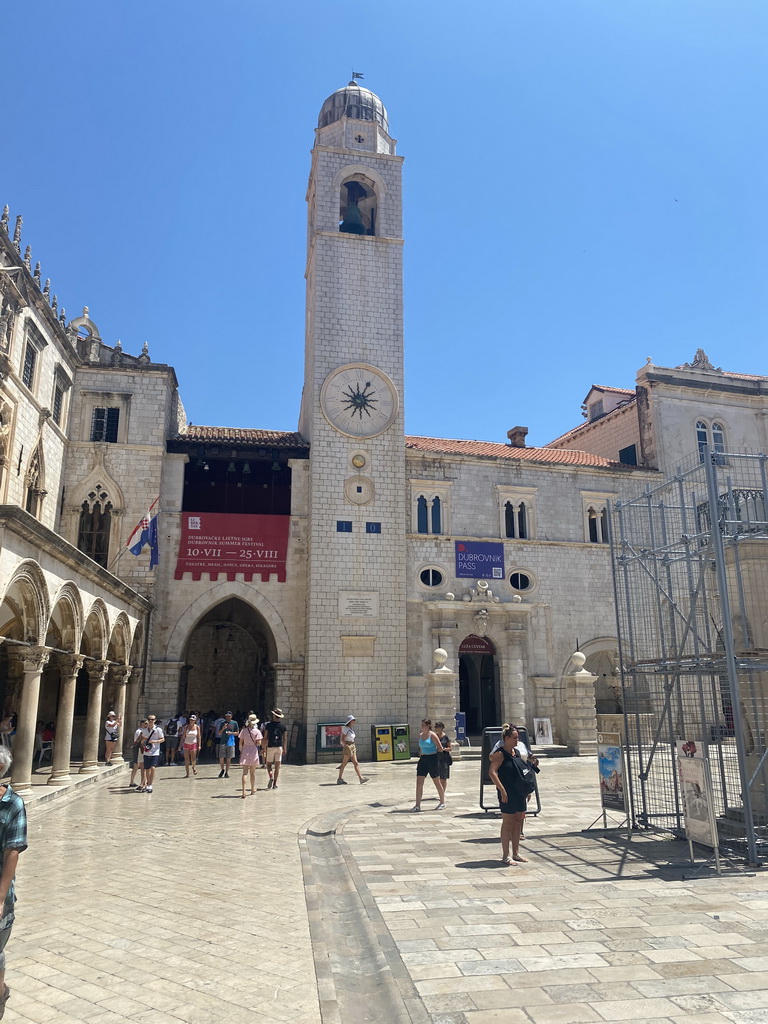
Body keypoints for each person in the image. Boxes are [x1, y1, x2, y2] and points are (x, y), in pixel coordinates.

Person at [0, 745, 27, 1019]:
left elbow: (12, 852)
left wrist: (0, 898)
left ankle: (0, 993)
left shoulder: (13, 804)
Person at [488, 726, 532, 865]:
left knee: (518, 821)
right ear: (506, 739)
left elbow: (522, 771)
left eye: (517, 737)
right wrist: (501, 790)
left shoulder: (517, 752)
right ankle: (506, 855)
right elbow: (492, 773)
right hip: (507, 792)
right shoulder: (499, 754)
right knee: (507, 822)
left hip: (519, 792)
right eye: (514, 738)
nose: (517, 740)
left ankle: (516, 853)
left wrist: (527, 790)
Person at [411, 719, 446, 811]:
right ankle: (417, 805)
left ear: (428, 726)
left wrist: (435, 757)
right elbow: (422, 748)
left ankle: (442, 802)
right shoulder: (420, 735)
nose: (422, 727)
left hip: (432, 759)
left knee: (436, 781)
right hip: (423, 759)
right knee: (419, 782)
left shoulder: (433, 735)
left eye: (424, 725)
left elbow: (440, 748)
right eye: (421, 725)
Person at [337, 715, 368, 785]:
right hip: (348, 746)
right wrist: (346, 746)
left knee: (356, 763)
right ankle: (339, 779)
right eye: (353, 720)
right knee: (344, 763)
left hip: (352, 746)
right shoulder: (346, 729)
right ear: (350, 721)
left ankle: (361, 778)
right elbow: (342, 739)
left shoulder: (350, 729)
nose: (354, 721)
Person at [238, 715, 263, 797]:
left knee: (244, 773)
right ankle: (252, 789)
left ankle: (243, 791)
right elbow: (259, 743)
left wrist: (241, 748)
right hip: (253, 751)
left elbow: (240, 742)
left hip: (245, 751)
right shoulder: (257, 731)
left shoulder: (244, 731)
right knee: (252, 773)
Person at [139, 715, 164, 793]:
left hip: (155, 751)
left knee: (152, 768)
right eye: (149, 719)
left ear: (155, 720)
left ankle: (150, 784)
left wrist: (155, 741)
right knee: (147, 769)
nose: (150, 721)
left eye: (152, 719)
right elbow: (142, 740)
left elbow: (162, 739)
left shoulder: (158, 729)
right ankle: (147, 784)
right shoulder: (144, 730)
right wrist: (143, 742)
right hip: (147, 751)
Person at [263, 709, 287, 789]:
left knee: (268, 765)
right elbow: (285, 738)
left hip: (270, 746)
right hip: (279, 747)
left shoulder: (268, 725)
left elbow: (265, 737)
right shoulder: (283, 726)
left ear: (274, 715)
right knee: (277, 766)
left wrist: (263, 747)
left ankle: (271, 776)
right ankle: (275, 784)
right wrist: (285, 748)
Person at [216, 712, 239, 778]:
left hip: (230, 742)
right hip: (223, 741)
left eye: (229, 716)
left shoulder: (234, 723)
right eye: (226, 716)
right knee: (221, 757)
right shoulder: (222, 723)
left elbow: (237, 733)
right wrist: (223, 728)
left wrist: (231, 733)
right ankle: (222, 769)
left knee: (229, 758)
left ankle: (227, 772)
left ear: (231, 716)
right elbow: (219, 733)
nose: (227, 717)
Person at [434, 721, 452, 795]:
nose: (438, 728)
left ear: (442, 728)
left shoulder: (445, 737)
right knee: (437, 777)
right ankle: (440, 792)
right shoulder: (434, 736)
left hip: (444, 758)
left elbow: (450, 748)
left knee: (443, 777)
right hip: (436, 758)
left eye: (439, 727)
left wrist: (443, 749)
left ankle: (442, 793)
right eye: (436, 727)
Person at [129, 719, 148, 788]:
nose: (147, 725)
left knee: (139, 766)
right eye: (145, 723)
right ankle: (133, 781)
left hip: (141, 750)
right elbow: (138, 741)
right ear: (142, 724)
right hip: (139, 749)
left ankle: (143, 781)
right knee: (137, 765)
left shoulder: (143, 731)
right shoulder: (139, 731)